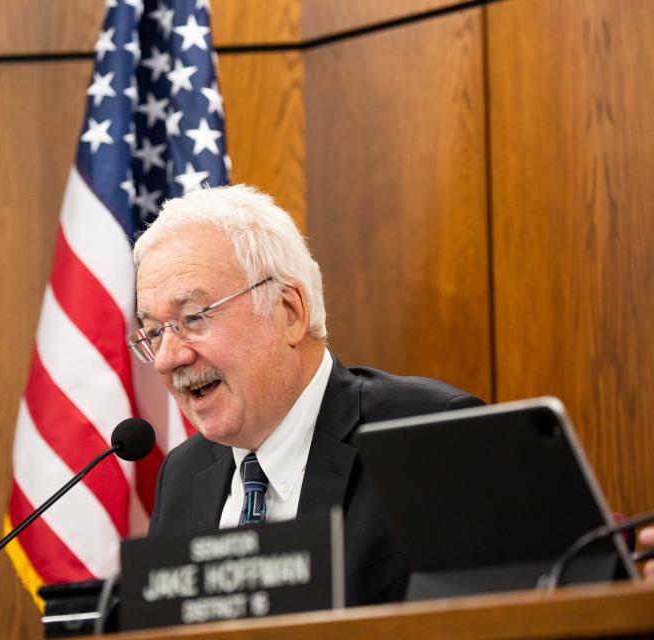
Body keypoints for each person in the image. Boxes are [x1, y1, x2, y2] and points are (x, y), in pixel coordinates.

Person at [128, 184, 483, 606]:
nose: (168, 359)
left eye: (193, 317)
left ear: (290, 312)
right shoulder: (183, 475)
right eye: (153, 332)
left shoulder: (433, 437)